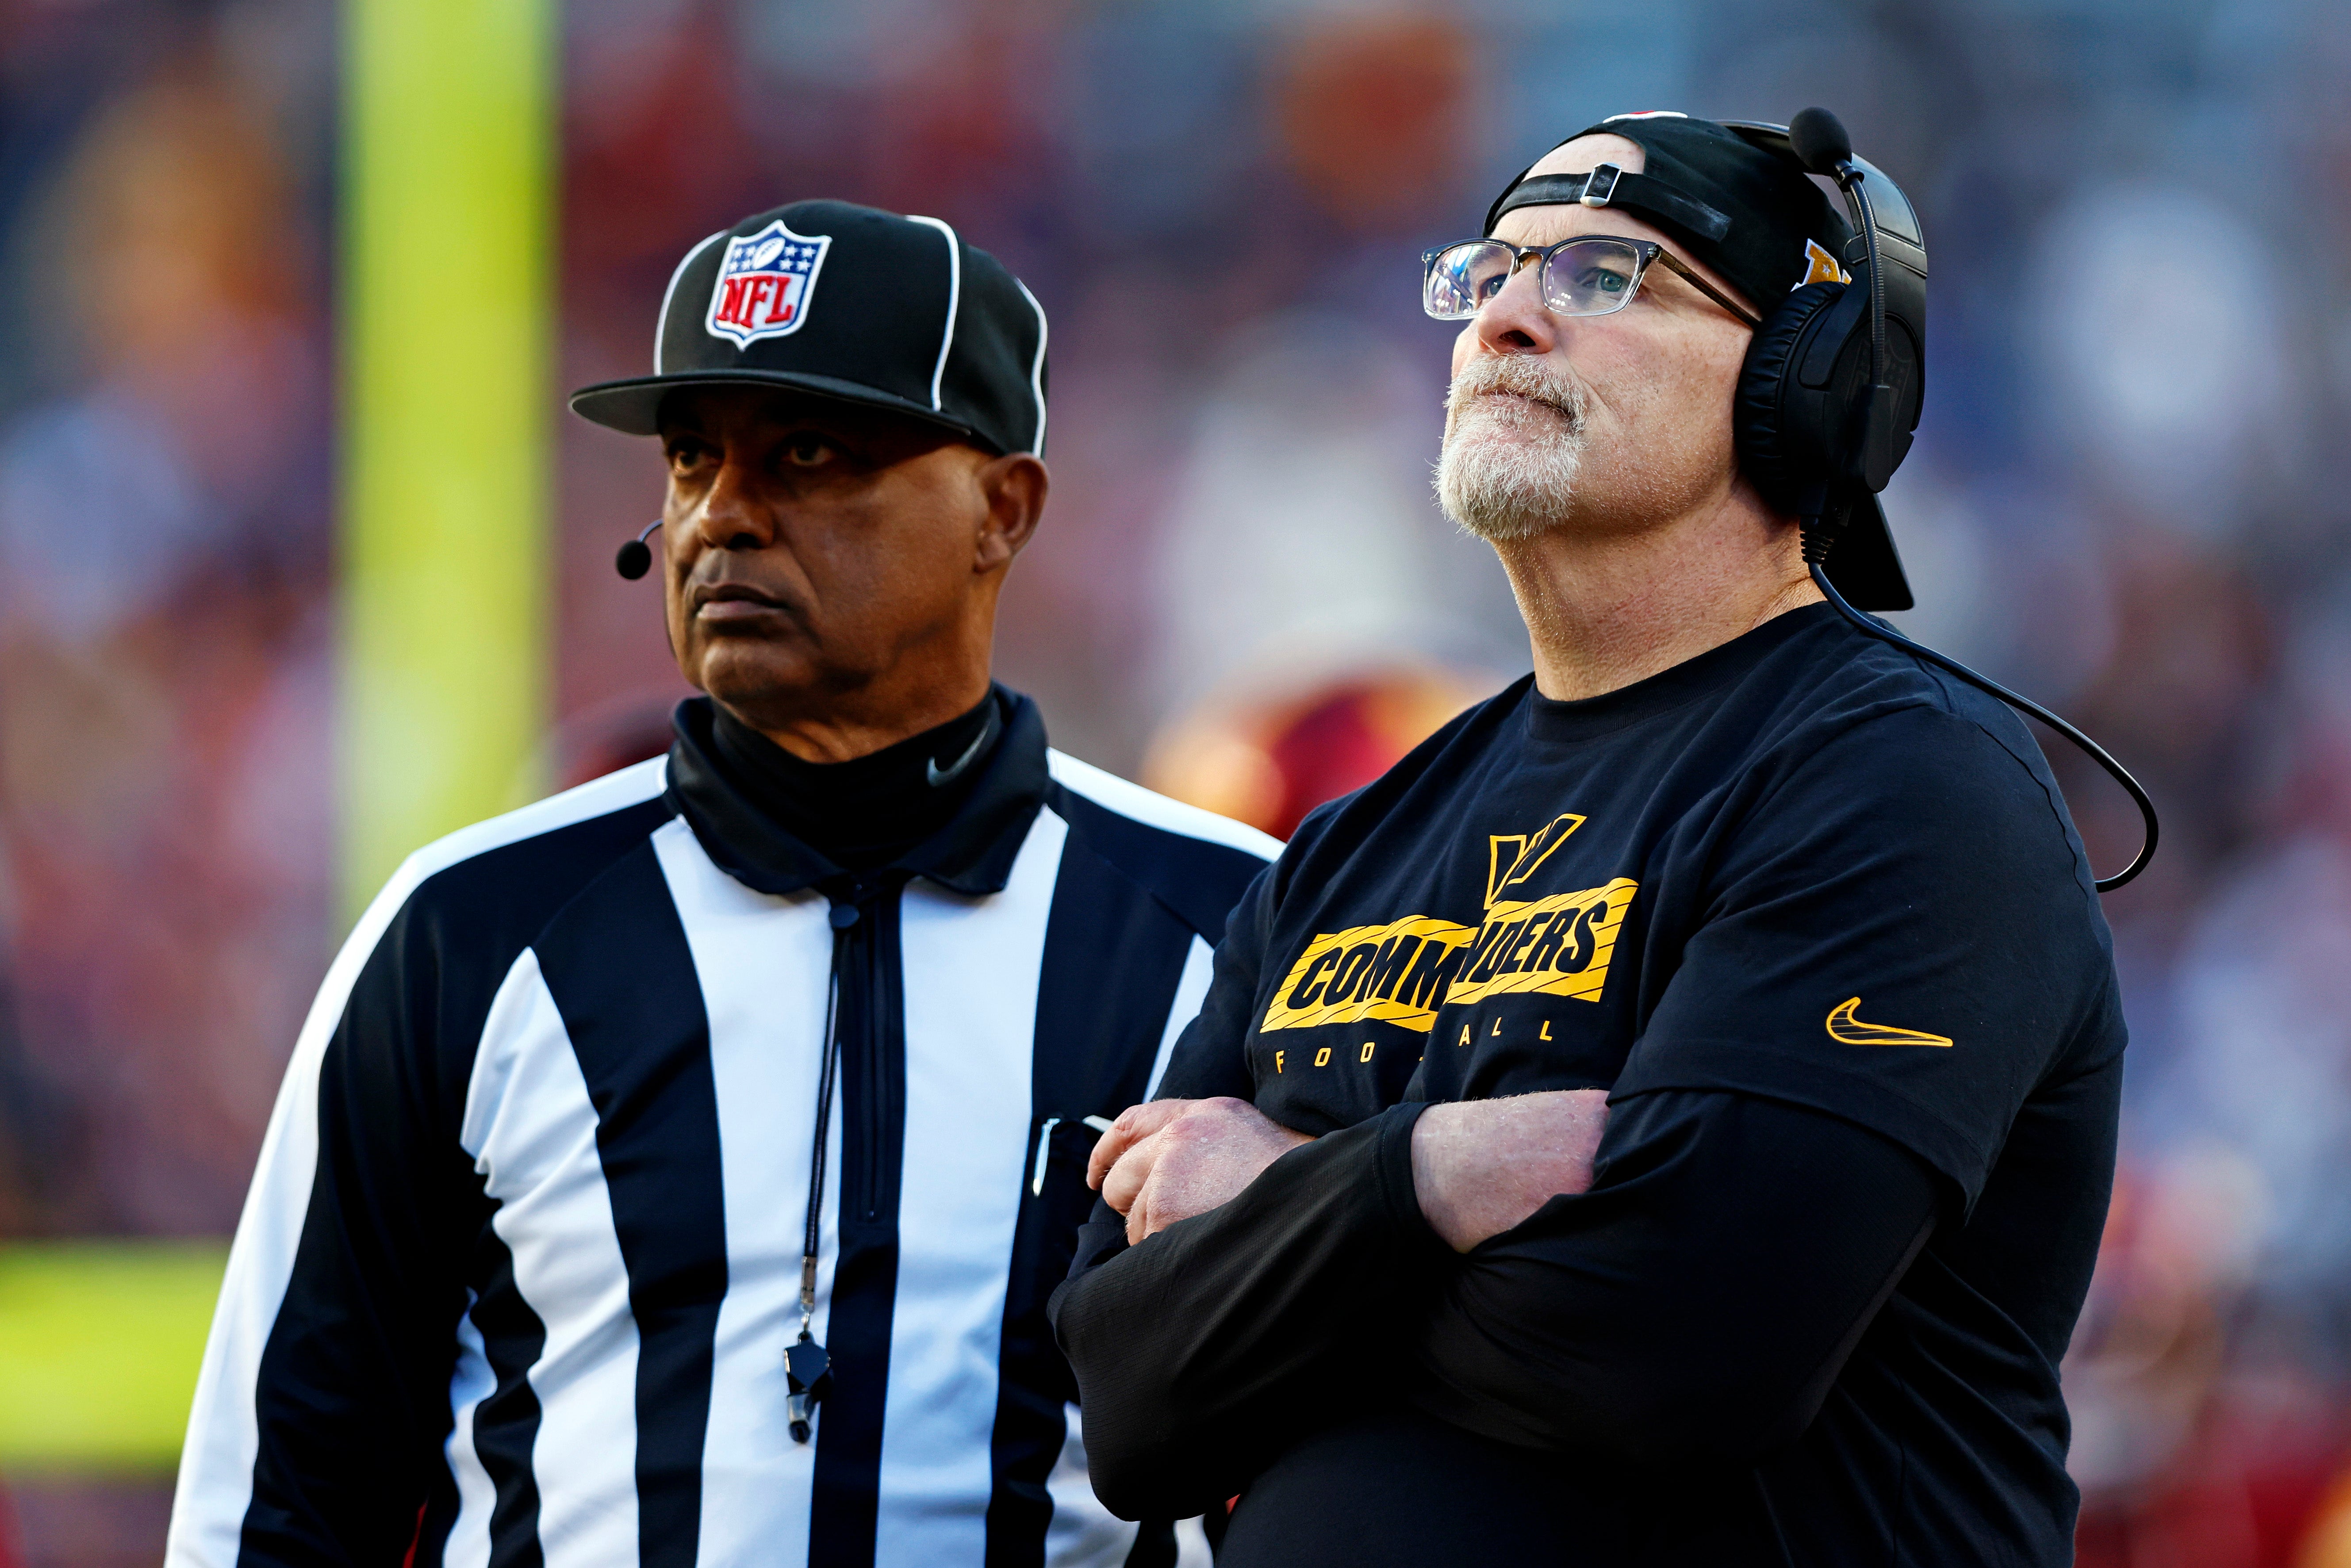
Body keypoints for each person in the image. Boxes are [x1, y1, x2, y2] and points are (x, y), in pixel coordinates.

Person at [1051, 113, 2125, 1567]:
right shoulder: (1351, 841)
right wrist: (1435, 1173)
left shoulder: (1902, 782)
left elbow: (1677, 1349)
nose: (1504, 317)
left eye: (1604, 275)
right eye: (1487, 272)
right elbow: (1128, 1390)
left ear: (1804, 378)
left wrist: (1277, 1202)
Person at [167, 201, 1275, 1568]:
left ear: (1002, 508)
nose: (722, 516)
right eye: (694, 456)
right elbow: (280, 1494)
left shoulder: (1232, 925)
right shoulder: (471, 928)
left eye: (807, 454)